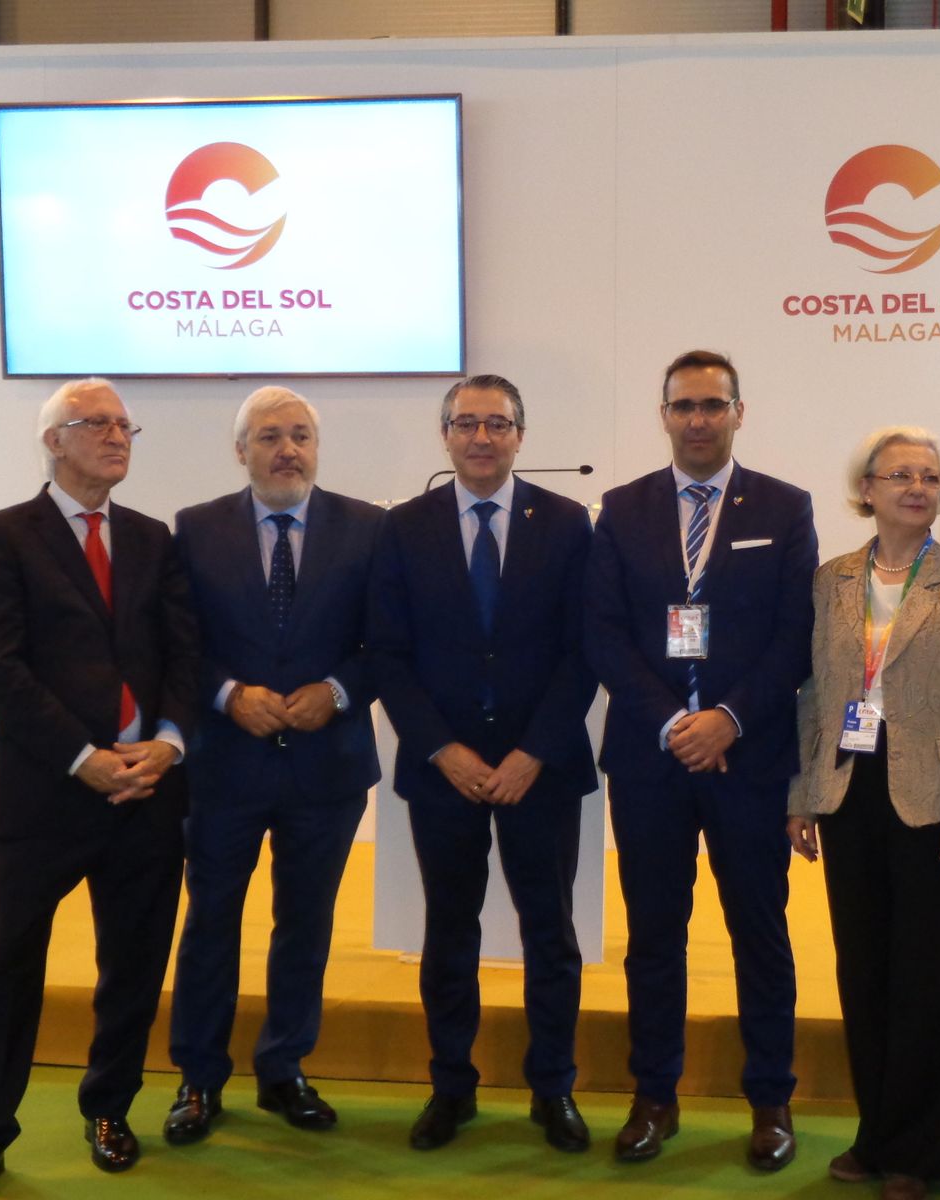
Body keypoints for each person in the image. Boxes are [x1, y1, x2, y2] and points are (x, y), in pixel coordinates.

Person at [0, 379, 198, 1200]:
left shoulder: (156, 540)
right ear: (54, 440)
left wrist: (167, 743)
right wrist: (82, 756)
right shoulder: (3, 536)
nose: (118, 437)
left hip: (147, 795)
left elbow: (184, 659)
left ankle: (109, 1109)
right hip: (43, 797)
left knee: (132, 966)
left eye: (126, 425)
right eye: (98, 424)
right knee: (9, 967)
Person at [584, 349, 818, 1170]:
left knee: (759, 933)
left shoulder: (786, 508)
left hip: (748, 760)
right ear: (664, 415)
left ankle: (771, 1100)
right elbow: (603, 632)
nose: (698, 420)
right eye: (683, 406)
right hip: (651, 763)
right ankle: (655, 1096)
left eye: (713, 405)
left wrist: (725, 718)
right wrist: (674, 723)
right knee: (654, 936)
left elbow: (797, 635)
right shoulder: (621, 508)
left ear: (739, 413)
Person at [371, 374, 598, 1153]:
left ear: (520, 436)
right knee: (449, 932)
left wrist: (534, 751)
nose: (481, 437)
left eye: (497, 424)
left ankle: (554, 1089)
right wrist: (445, 749)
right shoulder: (404, 528)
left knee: (551, 934)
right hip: (445, 772)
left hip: (542, 769)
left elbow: (583, 651)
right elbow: (389, 657)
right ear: (445, 435)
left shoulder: (568, 523)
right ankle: (450, 1086)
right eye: (465, 423)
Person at [787, 427, 940, 1200]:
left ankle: (919, 1153)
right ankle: (875, 1135)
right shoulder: (833, 580)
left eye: (931, 477)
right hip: (851, 795)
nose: (918, 488)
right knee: (866, 973)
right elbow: (813, 693)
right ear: (868, 490)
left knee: (932, 980)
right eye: (901, 476)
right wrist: (803, 796)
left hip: (937, 803)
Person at [164, 386, 383, 1142]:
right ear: (240, 451)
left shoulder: (368, 529)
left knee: (305, 924)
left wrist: (340, 690)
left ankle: (284, 1068)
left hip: (327, 766)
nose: (286, 449)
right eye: (268, 437)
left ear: (316, 448)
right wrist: (227, 695)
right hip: (224, 767)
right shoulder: (194, 531)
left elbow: (385, 642)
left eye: (299, 436)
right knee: (211, 922)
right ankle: (198, 1077)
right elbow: (176, 645)